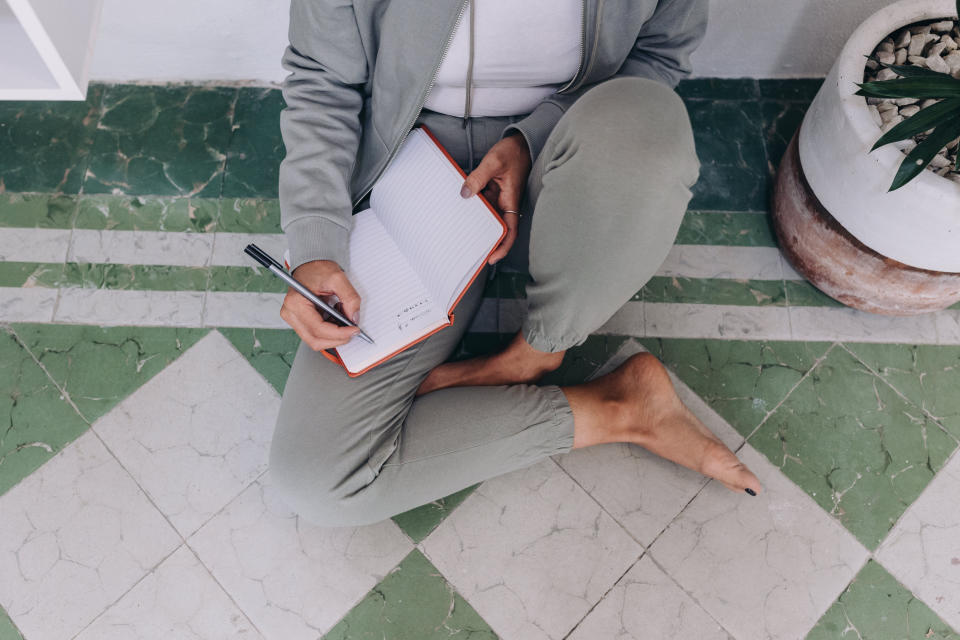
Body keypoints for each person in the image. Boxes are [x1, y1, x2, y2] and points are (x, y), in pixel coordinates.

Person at [271, 0, 762, 527]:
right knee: (319, 477)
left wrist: (531, 137)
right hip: (408, 169)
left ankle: (537, 354)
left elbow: (657, 58)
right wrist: (315, 245)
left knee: (647, 123)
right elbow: (323, 81)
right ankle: (622, 407)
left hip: (569, 154)